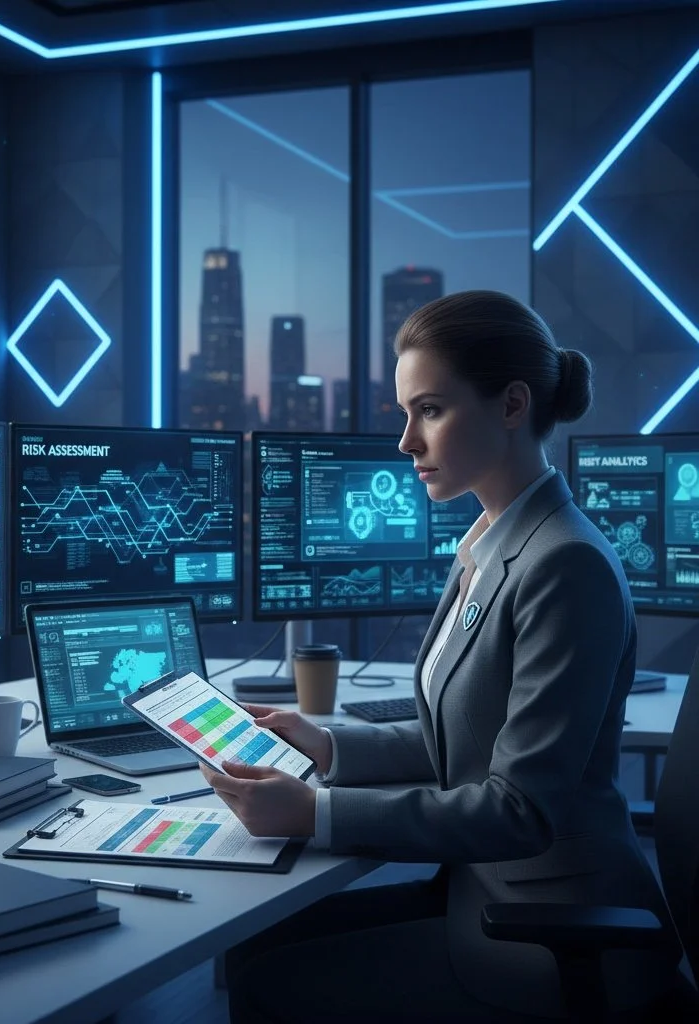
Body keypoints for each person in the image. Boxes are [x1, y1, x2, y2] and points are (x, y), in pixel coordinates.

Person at [200, 291, 680, 1022]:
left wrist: (314, 814)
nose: (406, 443)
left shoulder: (564, 564)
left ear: (512, 405)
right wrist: (328, 746)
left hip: (545, 927)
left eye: (429, 410)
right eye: (405, 413)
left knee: (269, 982)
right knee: (247, 948)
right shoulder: (491, 546)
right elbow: (463, 740)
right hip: (480, 890)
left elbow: (519, 810)